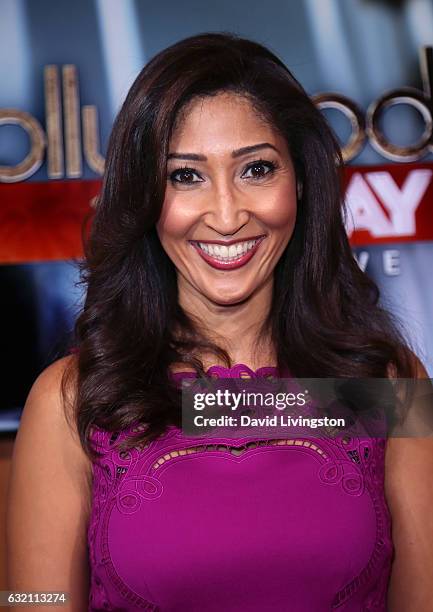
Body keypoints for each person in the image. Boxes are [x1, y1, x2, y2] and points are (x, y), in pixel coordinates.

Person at [6, 32, 433, 611]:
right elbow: (34, 601)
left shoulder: (388, 384)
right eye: (186, 175)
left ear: (301, 181)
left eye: (256, 169)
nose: (227, 216)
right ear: (145, 195)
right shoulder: (70, 400)